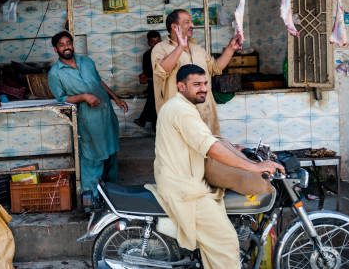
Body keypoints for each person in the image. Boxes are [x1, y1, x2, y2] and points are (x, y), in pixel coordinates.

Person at [147, 65, 284, 269]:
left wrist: (234, 147)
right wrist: (254, 167)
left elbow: (203, 139)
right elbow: (211, 148)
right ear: (181, 86)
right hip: (185, 189)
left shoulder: (180, 106)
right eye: (196, 85)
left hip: (185, 182)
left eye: (205, 84)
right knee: (226, 243)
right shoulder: (181, 111)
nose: (203, 89)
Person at [47, 31, 128, 200]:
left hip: (105, 114)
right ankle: (91, 201)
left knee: (111, 154)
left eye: (68, 42)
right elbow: (62, 99)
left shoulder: (87, 62)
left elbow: (99, 81)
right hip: (87, 119)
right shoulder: (55, 73)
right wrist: (83, 97)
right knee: (92, 157)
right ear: (56, 49)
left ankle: (113, 196)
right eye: (62, 45)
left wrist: (116, 98)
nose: (66, 47)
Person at [151, 9, 242, 135]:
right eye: (187, 22)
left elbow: (215, 68)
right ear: (174, 26)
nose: (192, 25)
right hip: (179, 116)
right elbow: (161, 70)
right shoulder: (160, 48)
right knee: (184, 153)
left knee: (207, 152)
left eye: (192, 22)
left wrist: (231, 48)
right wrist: (180, 47)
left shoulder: (197, 48)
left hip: (205, 114)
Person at [134, 30, 161, 130]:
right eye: (153, 42)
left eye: (158, 42)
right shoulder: (146, 55)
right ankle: (145, 120)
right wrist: (147, 77)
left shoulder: (166, 54)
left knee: (153, 100)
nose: (156, 44)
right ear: (149, 43)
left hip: (162, 85)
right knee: (154, 101)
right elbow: (147, 72)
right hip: (153, 85)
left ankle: (143, 119)